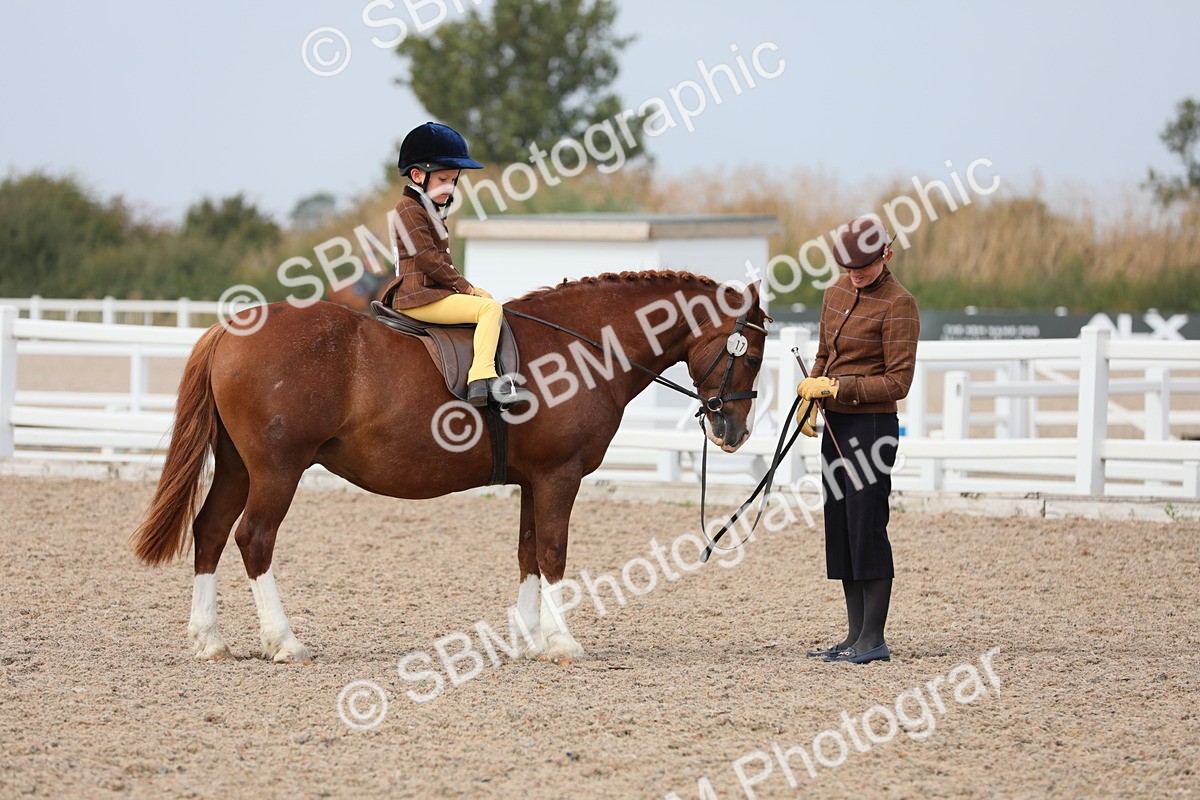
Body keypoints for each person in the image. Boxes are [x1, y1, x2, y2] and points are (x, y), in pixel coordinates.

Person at [797, 214, 920, 665]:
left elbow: (898, 382)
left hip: (871, 428)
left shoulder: (899, 303)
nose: (856, 275)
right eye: (850, 269)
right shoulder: (835, 293)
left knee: (867, 525)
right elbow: (824, 353)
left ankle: (875, 639)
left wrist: (839, 388)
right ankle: (852, 638)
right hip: (835, 426)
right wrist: (812, 392)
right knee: (842, 527)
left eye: (863, 268)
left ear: (885, 254)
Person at [382, 121, 531, 407]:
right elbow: (429, 260)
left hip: (429, 292)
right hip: (417, 295)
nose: (449, 187)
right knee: (489, 308)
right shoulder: (408, 209)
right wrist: (467, 288)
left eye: (453, 180)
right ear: (417, 175)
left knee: (484, 305)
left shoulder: (426, 207)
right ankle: (482, 376)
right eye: (443, 180)